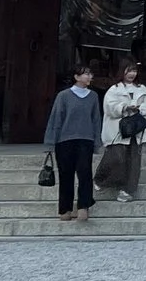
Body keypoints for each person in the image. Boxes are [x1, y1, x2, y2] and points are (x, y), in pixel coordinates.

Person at [41, 61, 105, 222]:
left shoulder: (93, 96)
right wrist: (50, 142)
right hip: (65, 141)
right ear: (77, 77)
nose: (89, 76)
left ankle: (84, 206)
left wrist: (97, 141)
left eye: (90, 74)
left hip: (86, 139)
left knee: (85, 174)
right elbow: (56, 119)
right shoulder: (64, 96)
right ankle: (65, 208)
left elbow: (96, 120)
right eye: (86, 73)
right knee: (66, 175)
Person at [98, 61, 146, 203]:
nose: (132, 74)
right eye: (129, 71)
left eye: (134, 71)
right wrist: (124, 107)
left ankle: (128, 190)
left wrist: (140, 108)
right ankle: (102, 179)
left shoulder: (142, 89)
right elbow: (109, 107)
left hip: (135, 130)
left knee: (134, 160)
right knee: (116, 157)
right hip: (117, 129)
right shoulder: (114, 89)